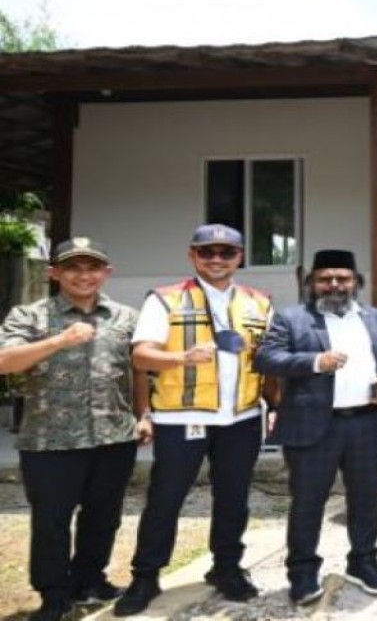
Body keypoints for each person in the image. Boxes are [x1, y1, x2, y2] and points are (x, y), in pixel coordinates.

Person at [116, 224, 273, 616]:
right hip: (182, 418)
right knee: (166, 499)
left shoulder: (259, 302)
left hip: (241, 417)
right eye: (207, 252)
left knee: (234, 499)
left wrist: (277, 404)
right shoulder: (165, 299)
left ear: (240, 257)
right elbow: (141, 356)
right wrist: (181, 359)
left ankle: (226, 568)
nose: (216, 259)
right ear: (192, 256)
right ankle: (146, 576)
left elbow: (267, 361)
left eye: (226, 252)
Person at [252, 249, 377, 606]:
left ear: (356, 282)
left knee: (366, 500)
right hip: (312, 426)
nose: (334, 284)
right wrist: (316, 362)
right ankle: (303, 572)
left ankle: (364, 563)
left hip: (366, 422)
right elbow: (265, 358)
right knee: (308, 502)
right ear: (311, 283)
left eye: (343, 278)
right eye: (325, 278)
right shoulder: (291, 318)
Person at [0, 239, 139, 621]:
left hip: (114, 436)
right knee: (51, 521)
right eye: (73, 267)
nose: (83, 275)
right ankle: (54, 594)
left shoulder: (126, 316)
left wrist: (144, 415)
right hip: (49, 441)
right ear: (54, 273)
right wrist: (59, 340)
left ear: (106, 273)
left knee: (103, 516)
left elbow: (139, 370)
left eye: (92, 267)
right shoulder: (29, 316)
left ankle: (90, 580)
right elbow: (5, 362)